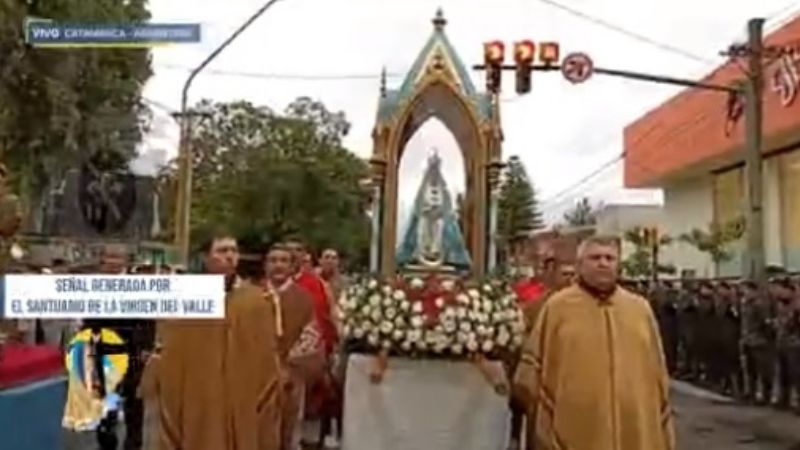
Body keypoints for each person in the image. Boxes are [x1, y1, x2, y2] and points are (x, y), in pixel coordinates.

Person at [514, 235, 675, 450]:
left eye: (610, 258)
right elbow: (531, 374)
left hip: (636, 428)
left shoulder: (639, 309)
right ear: (580, 265)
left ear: (619, 265)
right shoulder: (558, 308)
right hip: (575, 429)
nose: (603, 263)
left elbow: (657, 371)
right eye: (595, 257)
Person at [157, 233, 282, 450]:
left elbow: (267, 358)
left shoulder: (255, 300)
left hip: (243, 396)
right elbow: (172, 356)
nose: (230, 256)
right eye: (222, 251)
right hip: (199, 396)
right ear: (206, 257)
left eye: (234, 251)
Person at [264, 244, 324, 450]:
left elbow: (311, 334)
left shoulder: (303, 298)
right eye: (273, 261)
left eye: (283, 261)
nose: (278, 265)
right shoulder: (253, 296)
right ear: (265, 266)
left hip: (292, 376)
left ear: (292, 266)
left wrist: (288, 367)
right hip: (257, 376)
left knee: (290, 431)